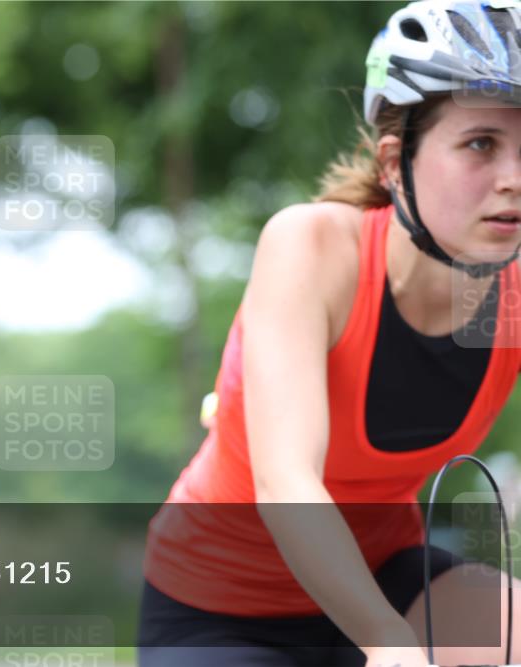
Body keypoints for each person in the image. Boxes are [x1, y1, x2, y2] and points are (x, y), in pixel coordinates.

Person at [138, 1, 521, 666]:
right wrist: (390, 643)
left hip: (387, 575)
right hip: (220, 605)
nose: (514, 178)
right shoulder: (312, 247)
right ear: (394, 163)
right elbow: (288, 480)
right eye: (480, 143)